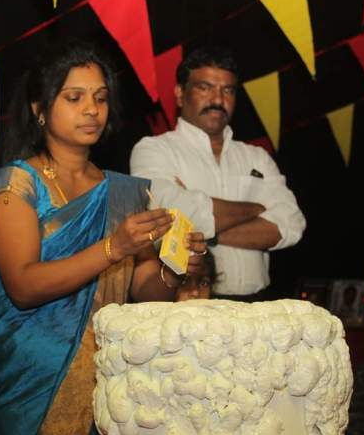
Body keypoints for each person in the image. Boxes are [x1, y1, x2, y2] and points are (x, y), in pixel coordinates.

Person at [0, 40, 208, 435]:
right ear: (39, 109)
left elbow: (144, 290)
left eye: (100, 98)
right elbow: (22, 286)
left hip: (106, 371)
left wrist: (175, 268)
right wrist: (113, 248)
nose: (91, 109)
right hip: (30, 376)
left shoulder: (123, 192)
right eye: (74, 97)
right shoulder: (17, 184)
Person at [130, 46, 306, 301]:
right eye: (205, 87)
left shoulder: (257, 156)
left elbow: (292, 225)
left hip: (258, 304)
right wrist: (257, 208)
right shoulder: (153, 149)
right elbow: (170, 216)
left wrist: (205, 231)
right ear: (180, 94)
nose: (218, 99)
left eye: (228, 90)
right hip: (190, 303)